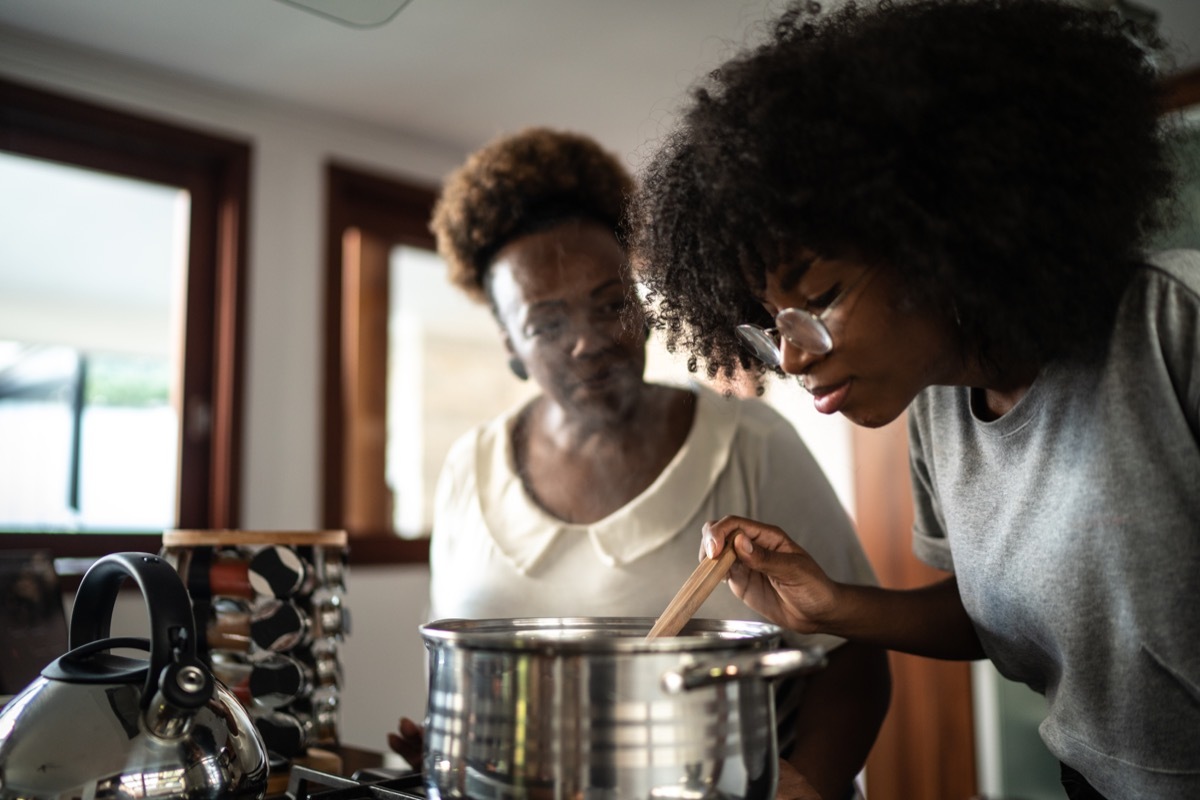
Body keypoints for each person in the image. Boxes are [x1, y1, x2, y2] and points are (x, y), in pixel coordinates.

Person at [629, 0, 1199, 798]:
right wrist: (829, 605)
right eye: (767, 326)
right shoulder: (939, 410)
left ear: (941, 236)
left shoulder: (1175, 323)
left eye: (818, 298)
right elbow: (998, 617)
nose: (791, 354)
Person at [388, 127, 890, 800]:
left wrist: (808, 786)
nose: (589, 342)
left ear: (645, 309)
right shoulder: (466, 472)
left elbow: (853, 663)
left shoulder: (749, 443)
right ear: (511, 346)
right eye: (547, 324)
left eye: (610, 304)